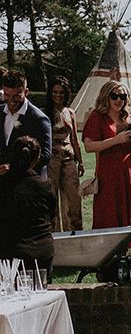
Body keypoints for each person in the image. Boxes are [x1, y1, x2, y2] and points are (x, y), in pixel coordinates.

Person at [82, 81, 131, 246]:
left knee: (128, 209)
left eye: (123, 96)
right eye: (114, 96)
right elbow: (89, 146)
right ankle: (107, 247)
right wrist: (115, 140)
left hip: (129, 171)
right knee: (109, 209)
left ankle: (127, 248)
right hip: (109, 172)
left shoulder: (129, 117)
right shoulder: (97, 116)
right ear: (106, 96)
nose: (119, 100)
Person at [0, 136, 56, 277]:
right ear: (37, 159)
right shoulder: (45, 185)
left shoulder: (4, 184)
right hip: (43, 251)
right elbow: (52, 214)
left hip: (11, 254)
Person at [44, 76, 83, 231]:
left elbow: (74, 139)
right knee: (51, 198)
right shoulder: (44, 112)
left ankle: (74, 233)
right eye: (55, 92)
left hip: (69, 158)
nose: (58, 95)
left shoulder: (70, 112)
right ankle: (52, 234)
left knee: (73, 198)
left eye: (61, 92)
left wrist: (80, 161)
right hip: (51, 159)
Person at [0, 70, 52, 174]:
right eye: (7, 95)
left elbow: (45, 155)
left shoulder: (38, 119)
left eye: (16, 96)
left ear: (26, 92)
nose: (11, 100)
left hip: (26, 182)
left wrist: (14, 167)